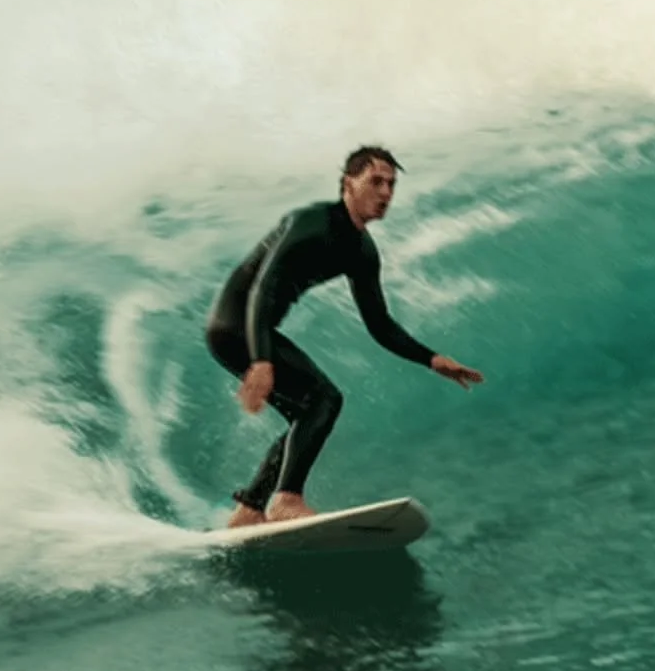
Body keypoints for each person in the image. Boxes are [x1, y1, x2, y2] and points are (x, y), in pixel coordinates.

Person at [205, 147, 484, 526]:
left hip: (253, 332)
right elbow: (262, 290)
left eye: (391, 185)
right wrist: (262, 360)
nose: (385, 193)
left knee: (306, 415)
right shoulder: (310, 224)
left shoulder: (362, 252)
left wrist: (432, 359)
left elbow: (379, 324)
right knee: (324, 398)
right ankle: (286, 499)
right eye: (376, 182)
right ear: (347, 184)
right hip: (236, 327)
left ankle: (250, 509)